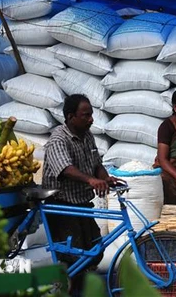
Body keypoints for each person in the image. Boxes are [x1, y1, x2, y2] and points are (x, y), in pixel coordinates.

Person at [42, 94, 120, 295]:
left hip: (81, 204)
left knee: (95, 251)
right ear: (70, 116)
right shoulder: (58, 138)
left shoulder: (87, 136)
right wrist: (91, 180)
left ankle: (76, 287)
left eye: (91, 114)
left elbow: (97, 164)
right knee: (75, 255)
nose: (91, 119)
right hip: (61, 205)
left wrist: (106, 178)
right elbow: (66, 169)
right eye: (85, 115)